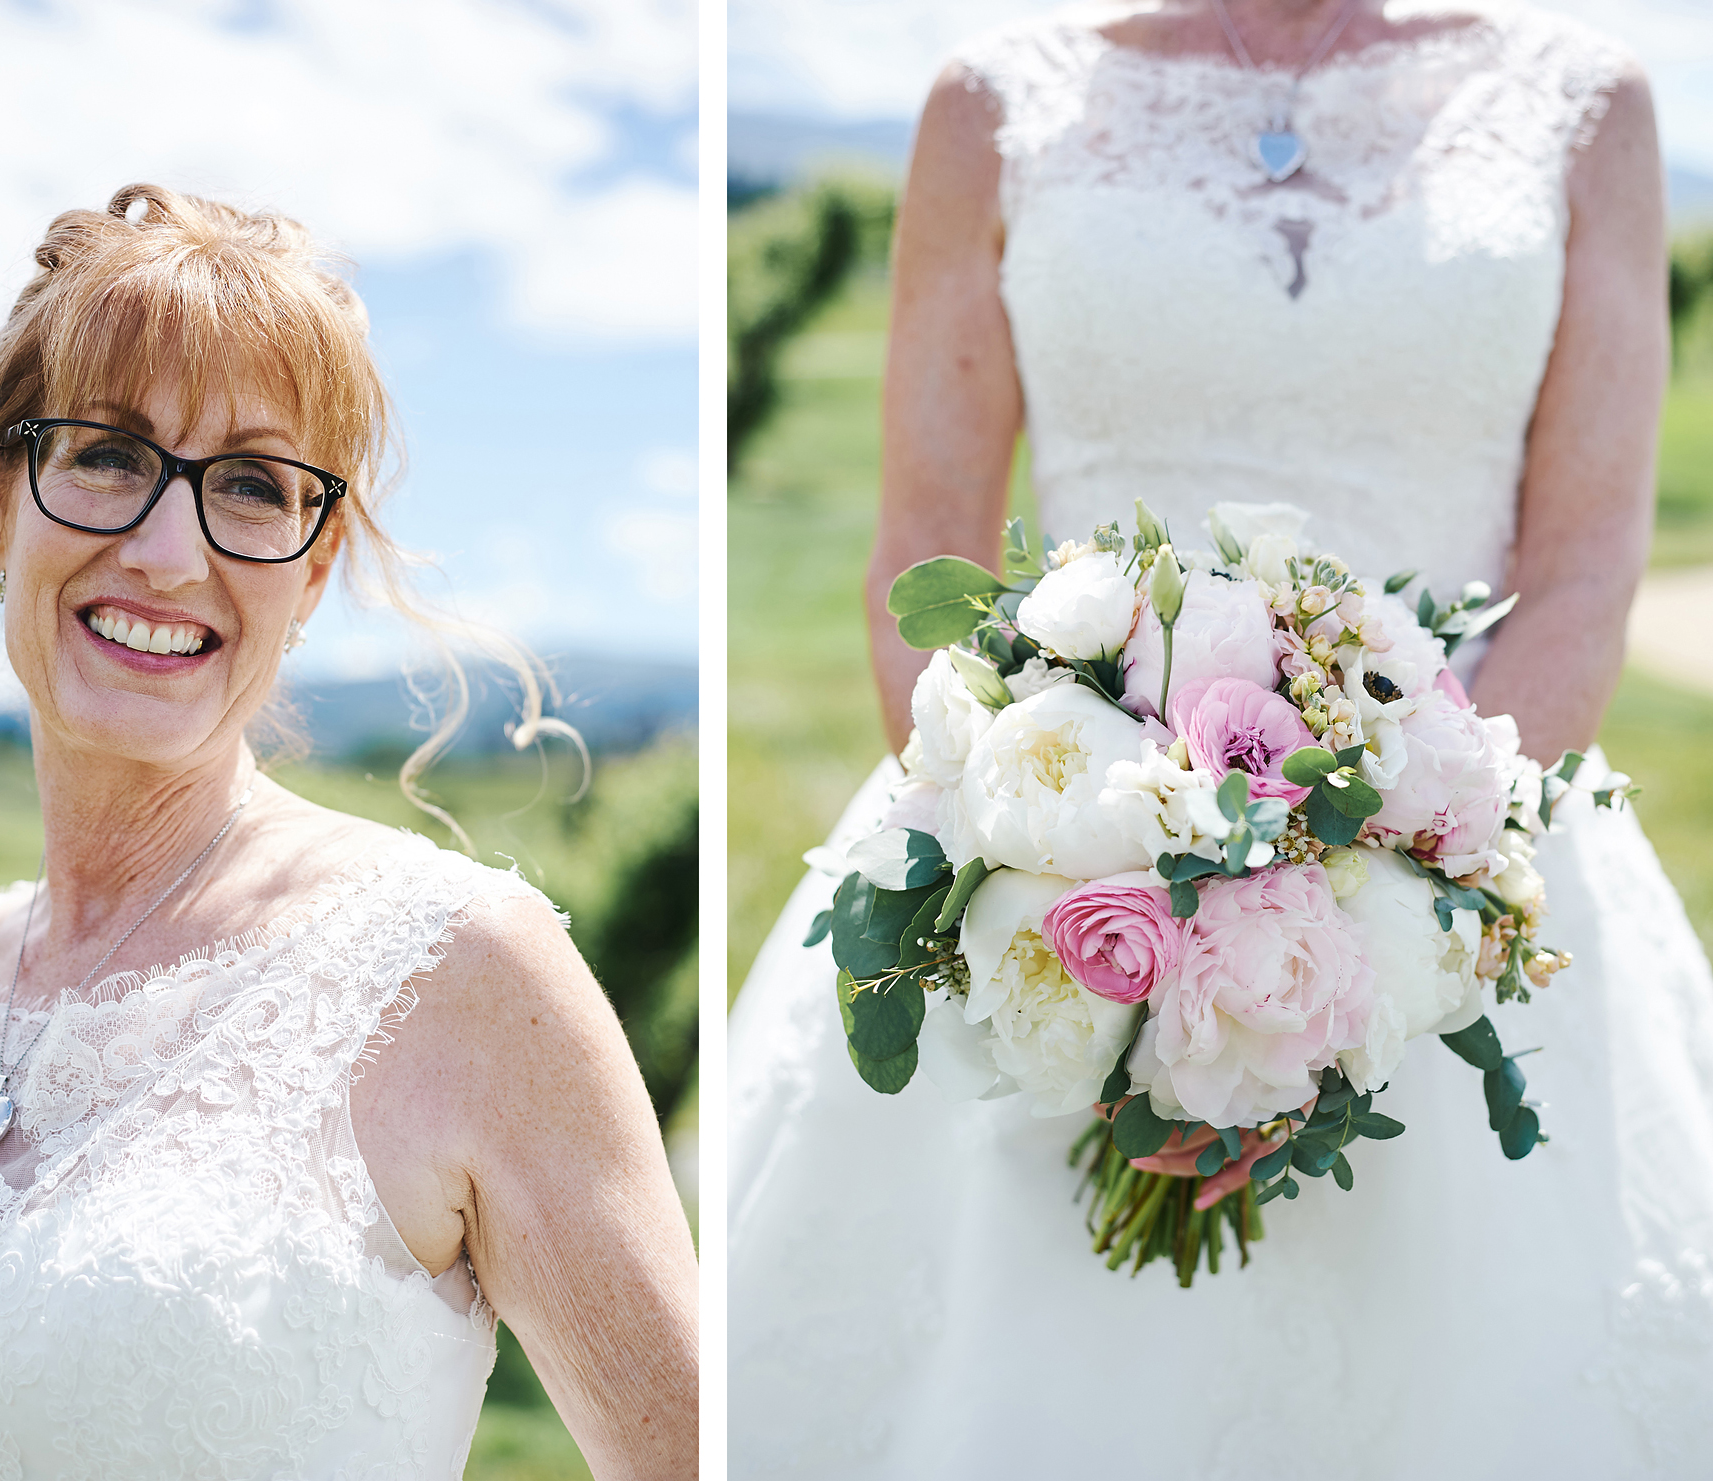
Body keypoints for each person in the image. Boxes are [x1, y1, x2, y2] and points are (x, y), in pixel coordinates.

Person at [729, 2, 1713, 1474]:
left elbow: (1583, 574)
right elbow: (920, 555)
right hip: (1056, 860)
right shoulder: (992, 106)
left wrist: (1396, 899)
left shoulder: (1588, 107)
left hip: (1471, 866)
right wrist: (1057, 903)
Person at [0, 185, 697, 1480]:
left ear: (314, 561)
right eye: (110, 453)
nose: (170, 552)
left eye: (248, 483)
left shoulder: (462, 971)